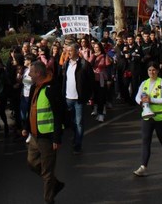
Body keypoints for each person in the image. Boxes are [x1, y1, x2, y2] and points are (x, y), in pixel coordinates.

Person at [23, 61, 65, 204]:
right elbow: (31, 109)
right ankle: (56, 183)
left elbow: (59, 114)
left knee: (47, 172)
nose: (29, 74)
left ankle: (49, 199)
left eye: (31, 72)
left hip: (47, 137)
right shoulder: (35, 86)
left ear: (38, 74)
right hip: (35, 135)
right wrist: (25, 127)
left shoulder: (51, 89)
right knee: (32, 163)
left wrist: (57, 138)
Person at [133, 63, 162, 177]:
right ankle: (143, 166)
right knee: (146, 140)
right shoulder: (144, 83)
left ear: (157, 71)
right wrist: (141, 101)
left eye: (154, 70)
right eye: (150, 70)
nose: (152, 72)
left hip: (161, 117)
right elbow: (137, 96)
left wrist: (151, 100)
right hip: (147, 116)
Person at [60, 43, 94, 154]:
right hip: (68, 98)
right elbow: (64, 80)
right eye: (67, 51)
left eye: (70, 50)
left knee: (79, 122)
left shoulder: (84, 64)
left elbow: (91, 81)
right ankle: (75, 137)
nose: (68, 53)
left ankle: (77, 144)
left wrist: (88, 96)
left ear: (76, 51)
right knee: (71, 122)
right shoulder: (66, 64)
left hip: (79, 99)